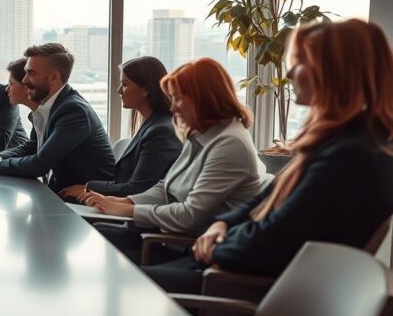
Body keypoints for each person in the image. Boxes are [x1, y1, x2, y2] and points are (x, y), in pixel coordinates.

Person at [144, 19, 393, 293]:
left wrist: (218, 244)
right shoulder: (341, 143)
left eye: (299, 64)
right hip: (235, 275)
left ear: (331, 73)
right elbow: (263, 199)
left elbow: (273, 241)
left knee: (127, 289)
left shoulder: (351, 158)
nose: (289, 75)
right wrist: (222, 222)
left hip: (247, 287)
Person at [85, 57, 271, 264]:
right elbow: (166, 186)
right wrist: (125, 201)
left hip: (193, 251)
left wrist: (130, 210)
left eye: (178, 98)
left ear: (203, 98)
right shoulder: (201, 133)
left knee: (98, 253)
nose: (173, 107)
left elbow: (189, 216)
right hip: (171, 239)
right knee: (94, 236)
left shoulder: (230, 144)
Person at [0, 43, 115, 192]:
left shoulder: (74, 111)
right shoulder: (49, 108)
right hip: (58, 193)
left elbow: (39, 164)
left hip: (88, 199)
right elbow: (32, 146)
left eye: (31, 73)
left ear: (54, 77)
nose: (25, 80)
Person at [59, 56, 181, 200]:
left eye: (125, 84)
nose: (119, 91)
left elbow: (139, 188)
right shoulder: (152, 125)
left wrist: (87, 187)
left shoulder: (161, 131)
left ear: (145, 89)